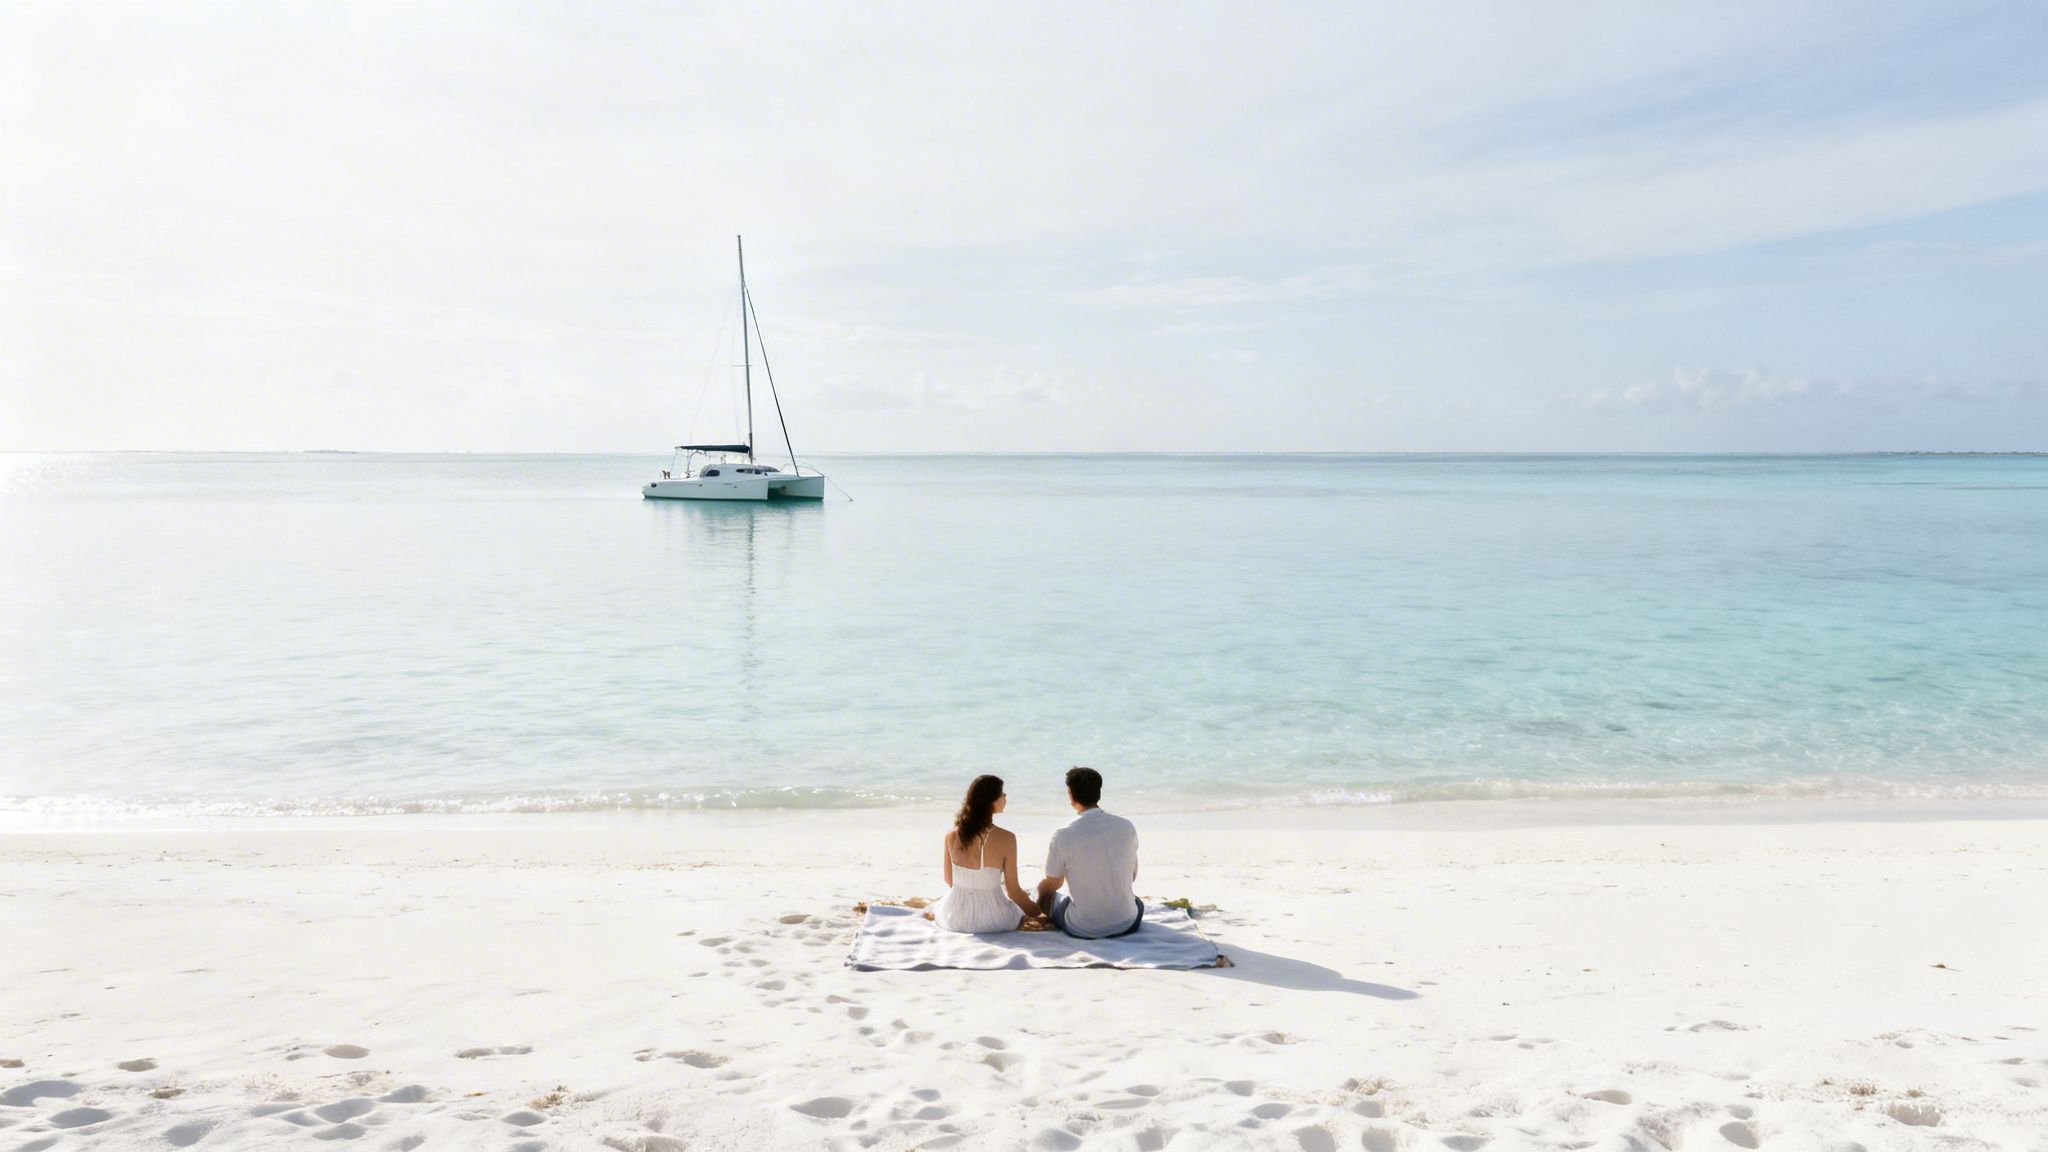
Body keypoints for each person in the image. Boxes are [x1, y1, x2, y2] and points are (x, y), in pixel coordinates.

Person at [1035, 766, 1142, 938]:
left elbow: (1054, 882)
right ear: (1099, 792)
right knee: (1137, 903)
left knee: (1046, 891)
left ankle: (1041, 919)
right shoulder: (1126, 826)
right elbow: (1132, 876)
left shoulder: (1064, 834)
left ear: (1070, 794)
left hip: (1084, 928)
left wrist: (1041, 890)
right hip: (1128, 922)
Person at [929, 775, 1040, 934]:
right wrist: (1039, 913)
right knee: (1028, 903)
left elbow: (949, 880)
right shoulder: (1007, 838)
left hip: (955, 918)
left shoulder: (951, 835)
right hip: (994, 919)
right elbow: (1014, 892)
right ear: (991, 801)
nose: (1005, 797)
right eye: (1002, 794)